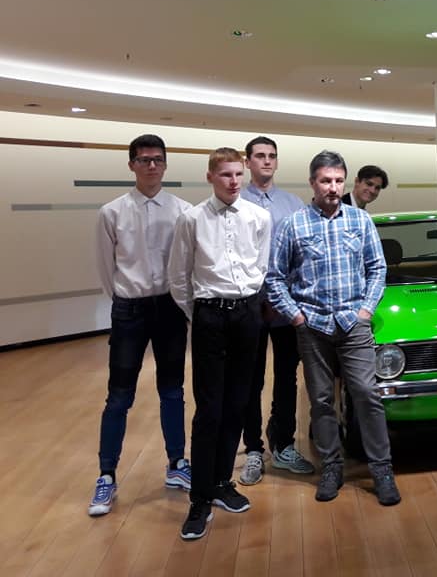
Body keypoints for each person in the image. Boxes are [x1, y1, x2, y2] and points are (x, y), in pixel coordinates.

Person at [266, 150, 400, 506]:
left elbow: (377, 269)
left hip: (353, 325)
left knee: (366, 395)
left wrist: (366, 311)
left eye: (338, 181)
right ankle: (331, 466)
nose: (333, 187)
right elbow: (275, 278)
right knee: (322, 401)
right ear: (313, 183)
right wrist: (296, 316)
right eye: (326, 181)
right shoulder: (293, 224)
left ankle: (382, 469)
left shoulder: (360, 221)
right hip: (313, 326)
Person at [168, 148, 272, 540]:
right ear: (210, 176)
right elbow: (178, 277)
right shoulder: (191, 219)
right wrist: (202, 316)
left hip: (247, 313)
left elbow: (260, 267)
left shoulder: (259, 217)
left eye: (237, 174)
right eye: (225, 174)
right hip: (210, 314)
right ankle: (199, 499)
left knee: (239, 402)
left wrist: (245, 305)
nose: (233, 181)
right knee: (209, 408)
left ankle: (221, 482)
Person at [89, 134, 193, 517]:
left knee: (172, 390)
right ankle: (106, 476)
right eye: (144, 159)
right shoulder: (111, 212)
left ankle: (177, 465)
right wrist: (122, 300)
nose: (152, 166)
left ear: (165, 165)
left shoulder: (184, 211)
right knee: (119, 396)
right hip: (129, 309)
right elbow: (105, 267)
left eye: (158, 160)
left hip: (168, 308)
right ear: (131, 164)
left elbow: (185, 265)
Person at [237, 137, 314, 486]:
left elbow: (301, 255)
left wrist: (288, 299)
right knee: (250, 379)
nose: (266, 161)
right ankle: (253, 448)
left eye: (271, 156)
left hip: (286, 308)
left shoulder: (293, 204)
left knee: (287, 378)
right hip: (250, 307)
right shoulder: (235, 202)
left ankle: (283, 444)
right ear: (248, 161)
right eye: (259, 156)